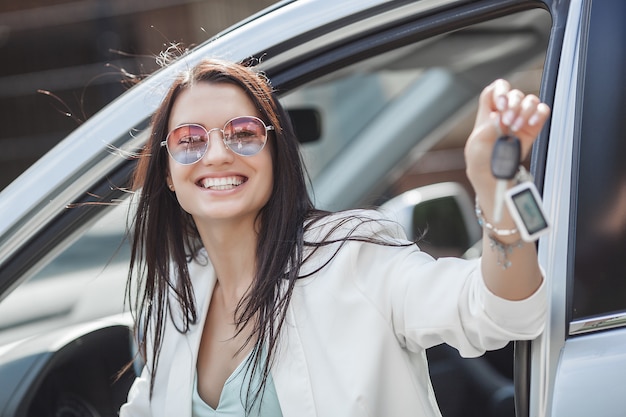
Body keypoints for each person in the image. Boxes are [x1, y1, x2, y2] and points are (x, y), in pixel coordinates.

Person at [119, 58, 550, 417]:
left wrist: (494, 190)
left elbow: (503, 311)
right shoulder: (177, 296)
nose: (215, 154)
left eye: (243, 133)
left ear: (276, 154)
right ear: (168, 173)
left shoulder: (351, 254)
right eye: (189, 139)